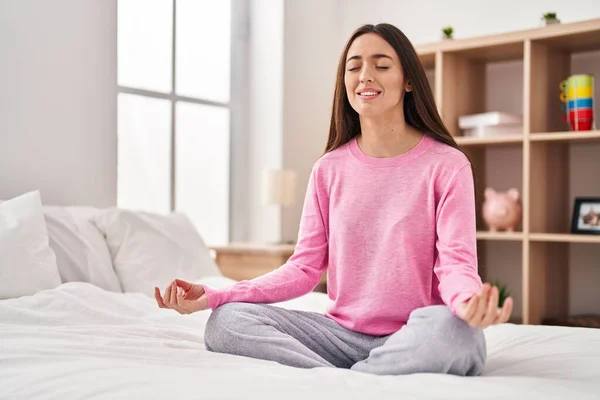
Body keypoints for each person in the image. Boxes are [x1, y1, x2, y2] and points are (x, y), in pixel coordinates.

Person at [154, 23, 514, 376]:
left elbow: (456, 264)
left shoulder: (447, 165)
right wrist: (218, 296)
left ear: (408, 81)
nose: (365, 76)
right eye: (354, 67)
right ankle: (344, 379)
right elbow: (304, 268)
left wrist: (467, 302)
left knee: (456, 333)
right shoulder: (328, 169)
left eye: (382, 65)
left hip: (417, 332)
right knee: (226, 323)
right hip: (341, 337)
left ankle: (353, 379)